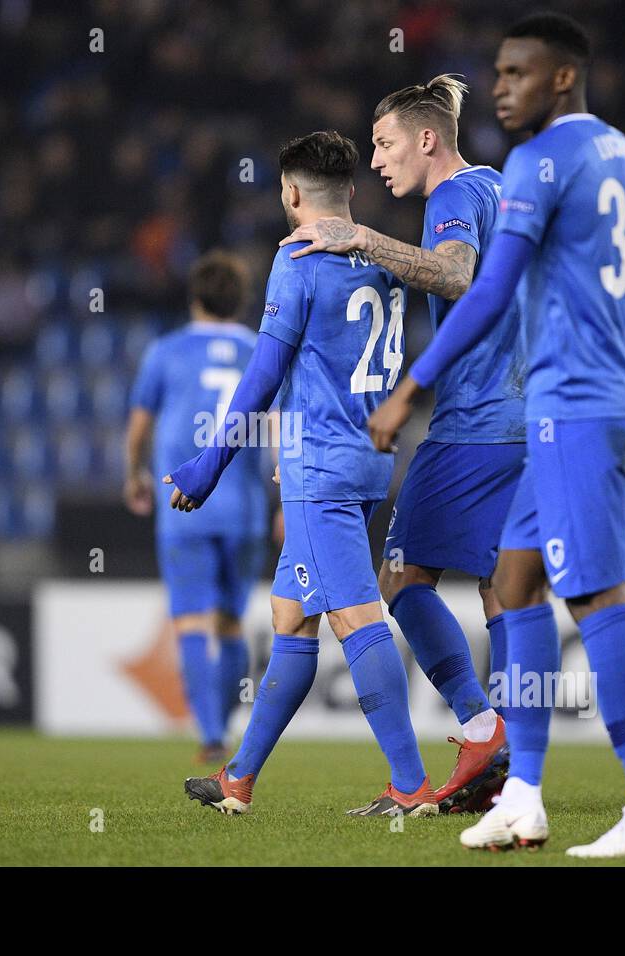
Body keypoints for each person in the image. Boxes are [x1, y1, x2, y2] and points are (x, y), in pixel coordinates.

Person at [368, 12, 625, 856]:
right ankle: (521, 793)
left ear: (561, 78)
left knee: (591, 595)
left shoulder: (538, 162)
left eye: (517, 74)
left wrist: (410, 391)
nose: (501, 88)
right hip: (588, 401)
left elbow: (477, 290)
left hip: (575, 400)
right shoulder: (622, 154)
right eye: (497, 74)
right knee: (514, 585)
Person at [170, 131, 437, 817]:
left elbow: (264, 376)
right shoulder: (379, 255)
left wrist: (209, 463)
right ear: (349, 193)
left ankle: (410, 786)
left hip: (320, 466)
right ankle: (239, 780)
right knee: (291, 617)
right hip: (370, 459)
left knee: (354, 617)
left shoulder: (298, 259)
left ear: (289, 194)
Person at [281, 74, 525, 813]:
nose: (377, 163)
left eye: (386, 144)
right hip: (528, 415)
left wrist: (360, 236)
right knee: (499, 586)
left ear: (427, 139)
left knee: (402, 579)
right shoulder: (500, 186)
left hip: (475, 421)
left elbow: (456, 275)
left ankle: (484, 729)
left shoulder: (451, 198)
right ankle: (514, 759)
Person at [125, 251, 269, 764]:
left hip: (183, 502)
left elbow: (140, 424)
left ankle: (210, 734)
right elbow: (276, 429)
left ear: (194, 296)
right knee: (232, 623)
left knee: (190, 622)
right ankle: (226, 726)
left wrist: (134, 475)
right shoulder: (261, 349)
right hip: (244, 509)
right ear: (243, 299)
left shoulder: (165, 352)